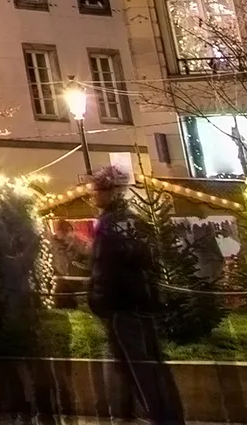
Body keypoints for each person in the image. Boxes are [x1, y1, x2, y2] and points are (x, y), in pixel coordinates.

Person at [87, 169, 184, 425]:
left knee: (138, 369)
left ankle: (161, 419)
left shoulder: (107, 225)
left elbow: (103, 268)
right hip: (142, 302)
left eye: (96, 190)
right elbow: (150, 260)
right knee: (154, 366)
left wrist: (98, 301)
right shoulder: (136, 220)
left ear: (109, 192)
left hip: (121, 306)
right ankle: (170, 417)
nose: (92, 195)